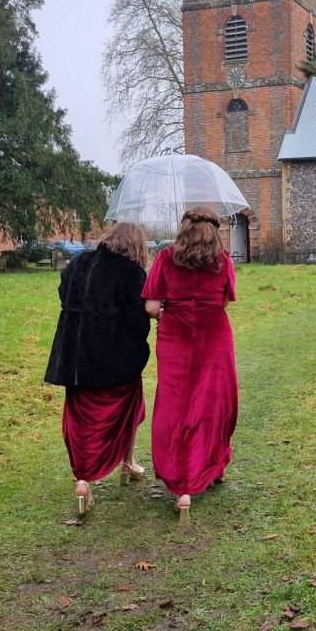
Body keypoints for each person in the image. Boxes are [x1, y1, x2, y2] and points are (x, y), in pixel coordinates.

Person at [44, 222, 151, 516]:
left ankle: (88, 478)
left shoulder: (77, 263)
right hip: (114, 362)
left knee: (80, 420)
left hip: (74, 360)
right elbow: (138, 321)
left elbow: (64, 294)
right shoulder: (132, 273)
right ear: (136, 247)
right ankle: (119, 466)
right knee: (129, 404)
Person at [141, 207, 238, 521]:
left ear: (184, 229)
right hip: (214, 336)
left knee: (176, 404)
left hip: (175, 337)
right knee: (212, 403)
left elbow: (151, 307)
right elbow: (224, 301)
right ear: (214, 231)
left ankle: (181, 483)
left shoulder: (165, 258)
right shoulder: (223, 260)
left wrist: (171, 307)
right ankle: (211, 467)